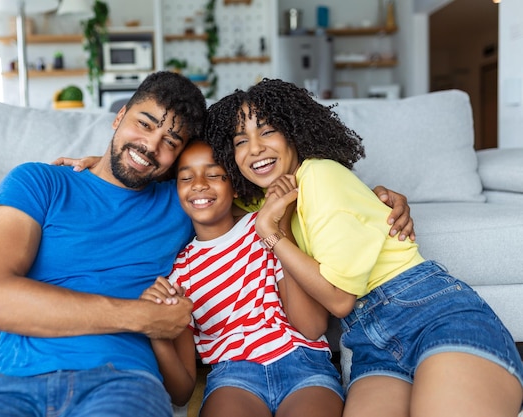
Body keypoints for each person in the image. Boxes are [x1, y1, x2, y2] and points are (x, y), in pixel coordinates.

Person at [204, 78, 523, 417]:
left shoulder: (319, 176)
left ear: (294, 134)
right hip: (373, 344)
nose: (254, 148)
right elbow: (210, 204)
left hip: (432, 315)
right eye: (241, 141)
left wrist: (271, 233)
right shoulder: (272, 198)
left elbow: (340, 300)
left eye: (267, 132)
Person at [0, 71, 208, 417]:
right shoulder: (37, 181)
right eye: (144, 125)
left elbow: (253, 181)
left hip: (123, 382)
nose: (151, 146)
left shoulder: (182, 203)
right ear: (118, 117)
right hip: (16, 381)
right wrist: (142, 316)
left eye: (170, 142)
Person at [140, 140, 344, 417]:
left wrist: (279, 227)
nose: (199, 184)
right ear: (176, 191)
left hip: (303, 363)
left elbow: (311, 326)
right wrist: (157, 331)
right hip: (234, 378)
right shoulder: (180, 273)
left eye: (213, 174)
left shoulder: (264, 225)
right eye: (186, 177)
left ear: (235, 186)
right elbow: (181, 392)